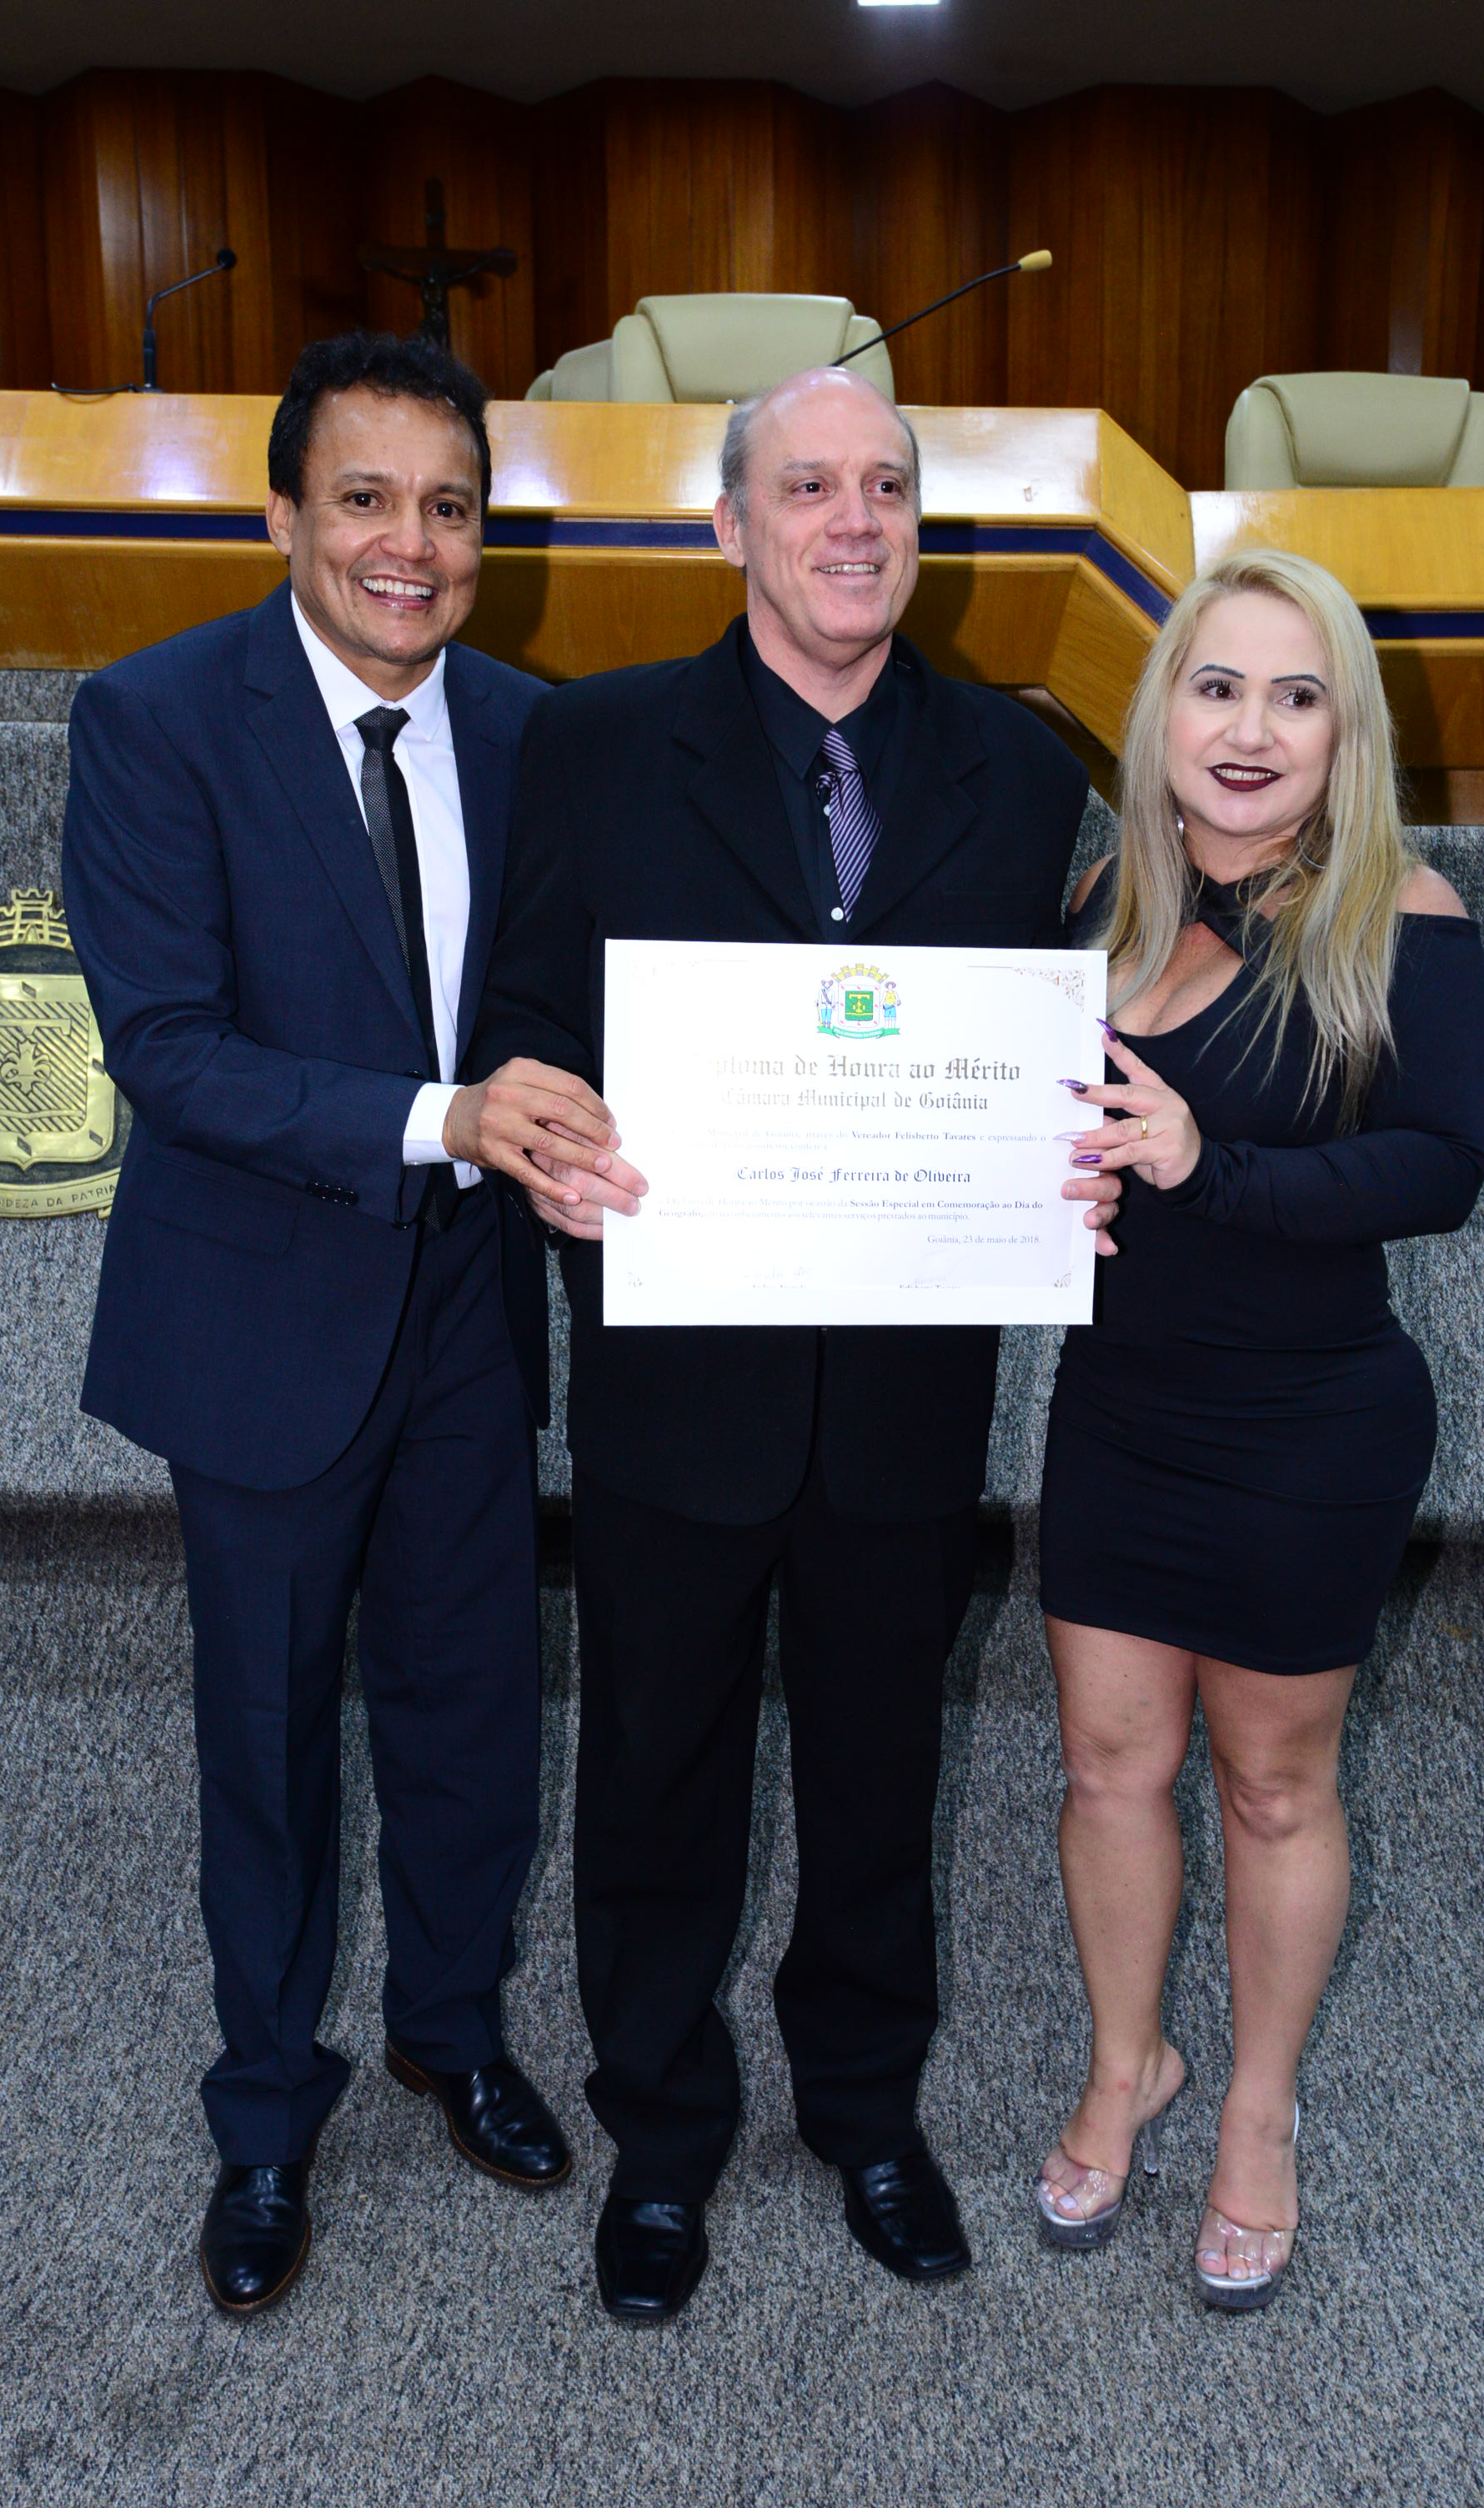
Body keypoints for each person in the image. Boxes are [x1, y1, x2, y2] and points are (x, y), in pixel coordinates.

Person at [446, 364, 1121, 2322]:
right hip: (676, 1373)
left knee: (878, 1772)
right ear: (729, 524)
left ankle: (863, 2109)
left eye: (885, 488)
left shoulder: (1020, 770)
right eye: (809, 487)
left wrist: (1068, 1159)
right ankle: (660, 2138)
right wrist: (541, 1132)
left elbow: (1041, 1058)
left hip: (903, 1396)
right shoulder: (593, 743)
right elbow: (522, 1015)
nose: (854, 521)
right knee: (654, 1771)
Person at [63, 333, 626, 2315]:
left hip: (470, 1309)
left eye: (449, 507)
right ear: (282, 514)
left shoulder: (537, 731)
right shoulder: (154, 719)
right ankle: (264, 2112)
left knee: (473, 1712)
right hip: (259, 1318)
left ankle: (448, 2031)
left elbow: (600, 997)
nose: (411, 544)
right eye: (366, 498)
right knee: (268, 1738)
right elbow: (167, 1049)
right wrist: (440, 1118)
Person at [1032, 547, 1484, 2310]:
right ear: (1162, 714)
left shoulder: (1404, 915)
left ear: (1341, 733)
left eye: (1296, 696)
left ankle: (1254, 2109)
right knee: (1105, 1767)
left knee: (1273, 1784)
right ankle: (1125, 2064)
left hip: (1308, 1426)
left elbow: (1438, 1169)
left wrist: (1201, 1168)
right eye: (1216, 687)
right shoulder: (1096, 905)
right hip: (1118, 1412)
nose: (1249, 728)